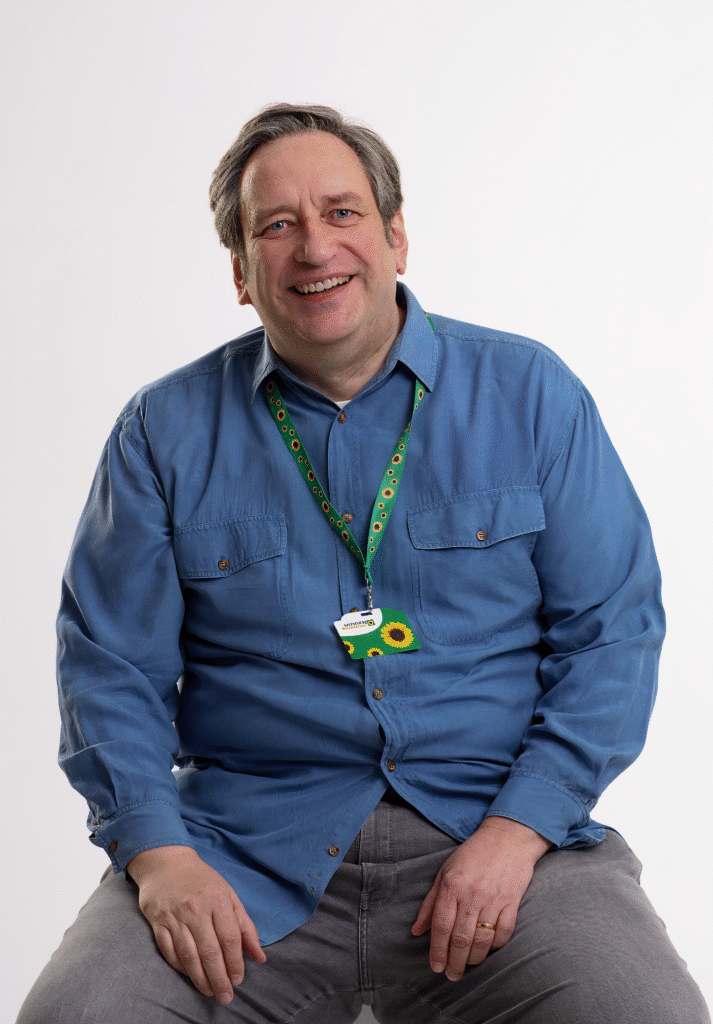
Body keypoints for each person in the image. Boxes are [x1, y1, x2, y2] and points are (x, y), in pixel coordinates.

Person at [18, 103, 709, 1024]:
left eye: (340, 212)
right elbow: (108, 669)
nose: (315, 247)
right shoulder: (162, 431)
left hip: (498, 839)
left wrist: (517, 832)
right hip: (238, 853)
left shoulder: (531, 393)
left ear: (394, 237)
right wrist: (161, 858)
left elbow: (613, 635)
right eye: (277, 225)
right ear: (240, 272)